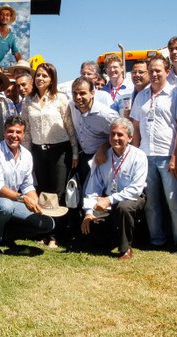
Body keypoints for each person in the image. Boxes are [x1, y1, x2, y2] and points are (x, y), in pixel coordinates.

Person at [129, 55, 177, 251]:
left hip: (167, 155)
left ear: (167, 72)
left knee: (173, 200)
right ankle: (157, 240)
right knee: (151, 202)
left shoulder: (176, 94)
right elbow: (135, 128)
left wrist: (176, 156)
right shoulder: (141, 96)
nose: (154, 74)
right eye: (151, 70)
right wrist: (135, 155)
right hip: (145, 156)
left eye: (158, 70)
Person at [0, 115, 55, 255]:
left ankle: (6, 235)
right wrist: (24, 199)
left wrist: (37, 204)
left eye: (18, 132)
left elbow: (27, 185)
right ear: (4, 133)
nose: (14, 135)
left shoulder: (27, 155)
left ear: (24, 134)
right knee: (5, 206)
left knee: (48, 223)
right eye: (10, 131)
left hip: (13, 200)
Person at [21, 63, 78, 246]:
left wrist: (75, 152)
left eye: (44, 76)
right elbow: (27, 131)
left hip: (60, 150)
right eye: (38, 75)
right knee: (43, 192)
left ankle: (56, 236)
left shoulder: (60, 98)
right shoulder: (28, 101)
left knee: (57, 193)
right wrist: (27, 154)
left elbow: (70, 127)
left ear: (51, 79)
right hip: (38, 151)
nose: (40, 79)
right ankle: (43, 231)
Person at [81, 118, 147, 260]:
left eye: (120, 135)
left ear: (130, 138)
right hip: (107, 200)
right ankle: (112, 239)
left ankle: (125, 248)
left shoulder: (139, 156)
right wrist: (88, 212)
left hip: (131, 199)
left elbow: (135, 189)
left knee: (124, 208)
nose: (115, 138)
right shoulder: (102, 157)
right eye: (112, 134)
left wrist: (109, 200)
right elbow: (93, 188)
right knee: (91, 225)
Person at [69, 77, 118, 235]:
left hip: (102, 160)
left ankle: (99, 233)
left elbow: (121, 134)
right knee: (81, 195)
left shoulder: (106, 114)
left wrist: (104, 147)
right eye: (75, 93)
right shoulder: (72, 107)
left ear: (92, 93)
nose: (78, 97)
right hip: (84, 157)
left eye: (82, 93)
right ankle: (83, 232)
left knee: (96, 197)